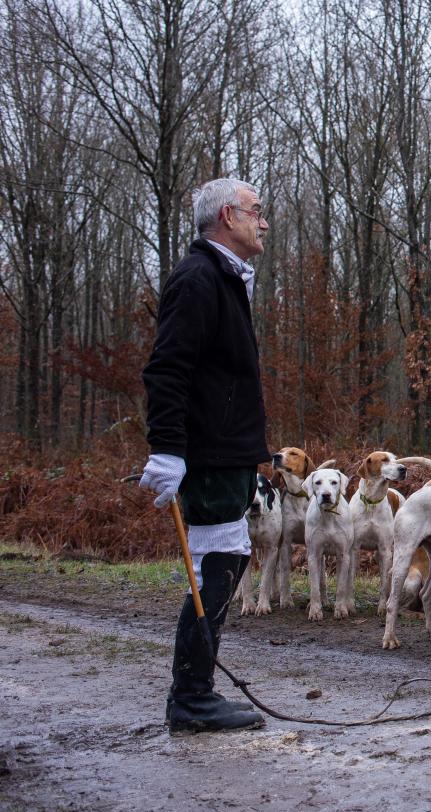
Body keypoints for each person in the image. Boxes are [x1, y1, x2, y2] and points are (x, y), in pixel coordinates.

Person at [138, 178, 272, 732]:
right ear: (226, 216)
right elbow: (167, 369)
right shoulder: (198, 279)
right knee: (217, 559)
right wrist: (168, 451)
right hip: (209, 453)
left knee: (227, 556)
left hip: (228, 451)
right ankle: (191, 697)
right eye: (256, 211)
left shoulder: (224, 279)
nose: (263, 222)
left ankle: (195, 691)